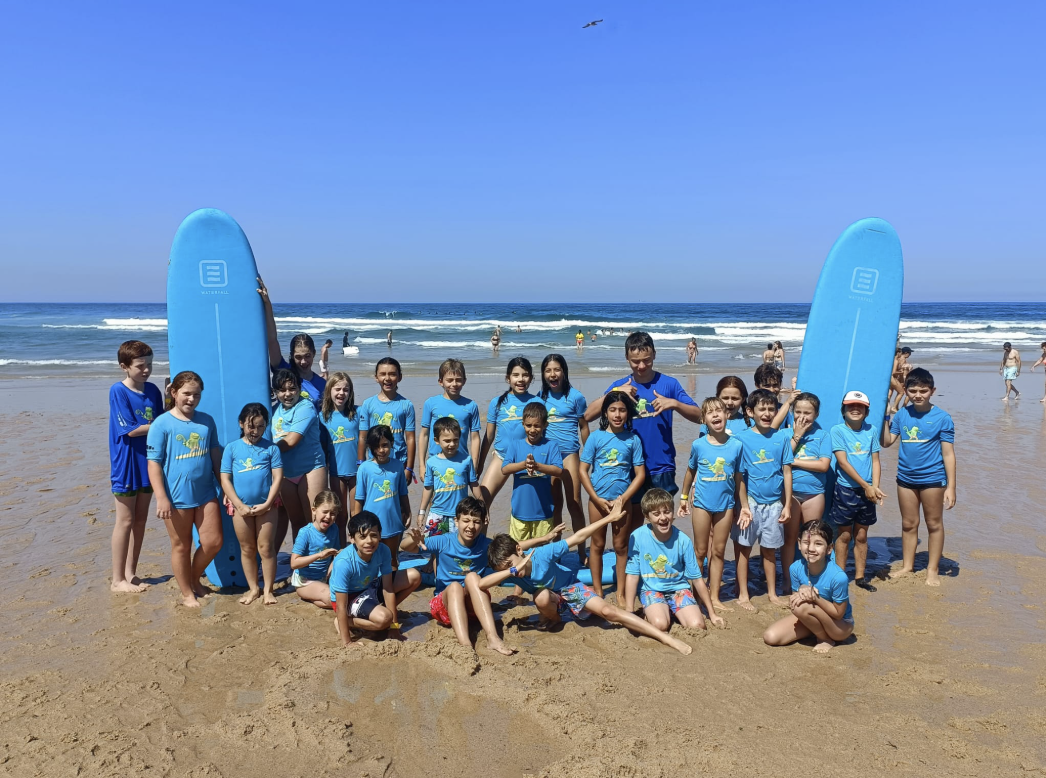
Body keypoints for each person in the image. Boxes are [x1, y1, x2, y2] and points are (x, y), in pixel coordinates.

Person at [480, 503, 693, 655]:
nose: (511, 570)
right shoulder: (512, 573)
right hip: (551, 602)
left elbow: (578, 537)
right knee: (541, 597)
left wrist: (609, 518)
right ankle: (555, 620)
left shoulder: (542, 555)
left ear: (519, 550)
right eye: (505, 569)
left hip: (571, 589)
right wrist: (511, 572)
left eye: (510, 564)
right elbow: (482, 584)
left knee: (608, 612)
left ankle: (666, 638)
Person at [583, 331, 702, 528]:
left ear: (654, 354)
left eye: (646, 360)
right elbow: (588, 415)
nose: (641, 366)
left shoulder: (669, 384)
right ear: (627, 358)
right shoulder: (620, 386)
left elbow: (700, 416)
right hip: (627, 467)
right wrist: (615, 392)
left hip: (661, 464)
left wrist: (674, 404)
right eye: (635, 361)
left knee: (662, 522)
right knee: (633, 524)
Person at [146, 371, 223, 608]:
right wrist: (161, 498)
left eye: (196, 395)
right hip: (175, 497)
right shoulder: (161, 423)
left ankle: (192, 577)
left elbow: (215, 456)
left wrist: (225, 488)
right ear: (173, 393)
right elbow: (153, 463)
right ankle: (187, 593)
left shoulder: (206, 421)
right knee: (181, 545)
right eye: (186, 394)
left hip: (206, 492)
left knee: (213, 542)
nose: (191, 399)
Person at [402, 498, 517, 655]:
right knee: (455, 586)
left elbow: (513, 551)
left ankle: (493, 638)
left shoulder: (486, 545)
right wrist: (413, 539)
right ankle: (465, 645)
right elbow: (406, 547)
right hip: (445, 607)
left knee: (472, 577)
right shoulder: (444, 541)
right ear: (456, 521)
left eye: (476, 521)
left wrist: (540, 547)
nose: (471, 526)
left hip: (474, 607)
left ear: (483, 523)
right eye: (466, 520)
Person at [882, 368, 956, 586]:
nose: (918, 395)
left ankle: (932, 569)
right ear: (905, 390)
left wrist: (951, 486)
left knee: (934, 524)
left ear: (932, 391)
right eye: (913, 390)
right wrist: (885, 416)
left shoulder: (942, 417)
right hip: (905, 478)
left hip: (933, 479)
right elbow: (887, 442)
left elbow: (948, 454)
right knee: (908, 524)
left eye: (923, 391)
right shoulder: (902, 415)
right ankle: (907, 565)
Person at [679, 397, 749, 614]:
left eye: (719, 411)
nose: (716, 415)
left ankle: (714, 596)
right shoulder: (698, 445)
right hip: (701, 504)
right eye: (710, 412)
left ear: (727, 415)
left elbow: (739, 478)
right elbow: (690, 472)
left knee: (718, 551)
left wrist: (744, 506)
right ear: (704, 419)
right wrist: (683, 498)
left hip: (726, 505)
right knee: (700, 552)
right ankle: (695, 595)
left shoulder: (736, 445)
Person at [108, 340, 164, 593]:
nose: (146, 370)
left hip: (149, 461)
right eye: (140, 366)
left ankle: (131, 573)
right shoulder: (117, 391)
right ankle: (116, 579)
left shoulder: (153, 390)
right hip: (126, 462)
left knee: (141, 520)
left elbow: (162, 419)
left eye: (149, 365)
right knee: (125, 520)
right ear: (124, 366)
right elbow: (130, 430)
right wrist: (164, 425)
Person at [626, 488, 723, 632]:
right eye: (656, 514)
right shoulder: (638, 537)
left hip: (678, 589)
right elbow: (633, 575)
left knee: (698, 625)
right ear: (647, 516)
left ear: (673, 512)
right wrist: (629, 611)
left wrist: (712, 614)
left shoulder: (683, 540)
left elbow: (697, 579)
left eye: (667, 512)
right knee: (661, 625)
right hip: (651, 589)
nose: (663, 518)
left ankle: (671, 609)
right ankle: (655, 610)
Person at [579, 390, 646, 598]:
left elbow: (640, 475)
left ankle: (620, 592)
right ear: (605, 413)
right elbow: (583, 470)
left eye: (622, 410)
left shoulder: (633, 439)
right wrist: (596, 498)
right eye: (613, 410)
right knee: (597, 545)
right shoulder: (595, 438)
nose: (617, 415)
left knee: (620, 546)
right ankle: (598, 591)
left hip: (622, 502)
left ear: (629, 414)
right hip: (597, 501)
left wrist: (623, 499)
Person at [733, 388, 793, 611]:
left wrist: (786, 505)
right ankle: (743, 594)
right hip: (750, 506)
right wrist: (744, 507)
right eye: (762, 409)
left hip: (775, 505)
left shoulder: (782, 438)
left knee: (770, 551)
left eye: (771, 409)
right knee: (744, 550)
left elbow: (787, 472)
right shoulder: (741, 439)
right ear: (750, 412)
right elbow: (739, 476)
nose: (767, 413)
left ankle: (772, 593)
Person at [220, 402, 284, 605]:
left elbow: (278, 477)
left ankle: (268, 590)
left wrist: (267, 503)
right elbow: (225, 478)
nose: (254, 431)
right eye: (250, 426)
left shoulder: (271, 449)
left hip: (267, 507)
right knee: (247, 548)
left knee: (266, 548)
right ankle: (253, 588)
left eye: (260, 426)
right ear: (241, 424)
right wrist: (238, 504)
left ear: (266, 425)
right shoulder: (232, 448)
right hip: (241, 508)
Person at [329, 511, 421, 646]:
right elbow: (341, 605)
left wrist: (394, 627)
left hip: (368, 587)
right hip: (348, 598)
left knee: (414, 575)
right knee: (384, 619)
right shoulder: (344, 562)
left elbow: (388, 588)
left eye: (373, 535)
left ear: (380, 535)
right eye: (363, 536)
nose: (369, 541)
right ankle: (347, 621)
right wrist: (347, 642)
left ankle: (376, 611)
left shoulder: (383, 550)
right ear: (352, 538)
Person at [763, 520, 853, 653]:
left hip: (840, 626)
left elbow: (838, 614)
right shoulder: (795, 568)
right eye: (806, 542)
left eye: (818, 544)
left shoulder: (838, 577)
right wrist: (801, 589)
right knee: (770, 637)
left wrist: (815, 598)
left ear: (829, 549)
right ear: (799, 544)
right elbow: (794, 602)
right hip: (812, 617)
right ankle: (815, 630)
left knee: (802, 606)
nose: (811, 549)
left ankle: (825, 639)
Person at [827, 390, 884, 590]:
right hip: (846, 490)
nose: (855, 409)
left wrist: (875, 487)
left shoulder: (871, 430)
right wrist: (866, 486)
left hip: (868, 491)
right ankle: (841, 577)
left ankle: (860, 578)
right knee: (843, 536)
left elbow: (875, 461)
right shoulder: (837, 431)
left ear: (867, 412)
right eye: (851, 406)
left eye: (860, 407)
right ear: (843, 410)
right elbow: (843, 463)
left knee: (861, 535)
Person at [271, 369, 328, 552]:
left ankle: (320, 564)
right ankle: (301, 565)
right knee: (297, 523)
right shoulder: (274, 411)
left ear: (299, 387)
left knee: (316, 521)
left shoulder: (306, 407)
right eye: (282, 390)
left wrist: (263, 454)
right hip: (287, 473)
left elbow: (291, 441)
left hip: (310, 469)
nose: (287, 394)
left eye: (292, 388)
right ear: (276, 392)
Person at [538, 354, 590, 557]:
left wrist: (589, 456)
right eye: (548, 370)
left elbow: (584, 427)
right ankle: (555, 551)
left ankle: (581, 552)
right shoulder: (540, 396)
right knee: (554, 506)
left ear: (564, 372)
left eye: (557, 369)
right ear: (543, 374)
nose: (553, 374)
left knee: (574, 503)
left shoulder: (576, 397)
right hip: (548, 455)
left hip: (570, 454)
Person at [785, 392, 832, 589]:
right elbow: (781, 458)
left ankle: (812, 580)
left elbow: (823, 465)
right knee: (790, 539)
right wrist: (798, 434)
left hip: (814, 494)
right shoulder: (786, 434)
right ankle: (788, 582)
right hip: (791, 494)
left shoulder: (823, 435)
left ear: (817, 414)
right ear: (791, 412)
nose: (802, 417)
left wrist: (793, 461)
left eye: (808, 413)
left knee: (812, 538)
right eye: (798, 412)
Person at [478, 357, 540, 504]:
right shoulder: (497, 403)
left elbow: (541, 434)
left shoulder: (537, 403)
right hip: (501, 457)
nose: (521, 379)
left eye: (525, 375)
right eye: (516, 375)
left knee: (527, 504)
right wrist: (480, 464)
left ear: (531, 378)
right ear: (508, 378)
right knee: (482, 502)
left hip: (528, 459)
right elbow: (489, 436)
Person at [258, 278, 326, 409]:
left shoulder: (322, 384)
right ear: (292, 355)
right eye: (298, 357)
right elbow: (272, 339)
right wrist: (267, 304)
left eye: (307, 356)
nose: (303, 362)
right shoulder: (283, 371)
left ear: (314, 354)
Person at [502, 402, 564, 543]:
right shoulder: (515, 445)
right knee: (518, 549)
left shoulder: (551, 445)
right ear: (523, 424)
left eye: (537, 425)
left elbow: (558, 470)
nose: (532, 429)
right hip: (519, 513)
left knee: (541, 551)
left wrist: (537, 466)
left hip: (544, 513)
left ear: (545, 425)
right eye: (528, 425)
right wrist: (524, 465)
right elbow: (505, 469)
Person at [353, 426, 411, 566]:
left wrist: (408, 512)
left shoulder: (397, 466)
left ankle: (390, 587)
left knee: (391, 560)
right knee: (369, 560)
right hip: (370, 525)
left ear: (392, 443)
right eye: (376, 446)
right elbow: (359, 500)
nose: (381, 450)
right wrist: (355, 524)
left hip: (393, 522)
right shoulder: (364, 468)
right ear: (369, 447)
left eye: (385, 445)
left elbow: (403, 493)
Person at [418, 417, 481, 539]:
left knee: (459, 546)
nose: (451, 444)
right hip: (437, 513)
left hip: (460, 514)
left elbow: (474, 484)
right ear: (437, 440)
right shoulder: (431, 462)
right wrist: (422, 512)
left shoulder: (466, 460)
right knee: (435, 548)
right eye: (447, 441)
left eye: (455, 440)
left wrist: (482, 507)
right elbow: (428, 489)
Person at [357, 357, 416, 482]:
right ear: (376, 377)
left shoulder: (406, 405)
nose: (387, 378)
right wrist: (361, 463)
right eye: (383, 374)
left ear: (400, 377)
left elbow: (410, 438)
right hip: (375, 461)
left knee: (398, 498)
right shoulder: (368, 404)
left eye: (392, 374)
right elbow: (362, 437)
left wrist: (409, 468)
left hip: (399, 461)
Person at [418, 359, 482, 468]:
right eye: (449, 380)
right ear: (440, 381)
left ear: (464, 381)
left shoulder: (471, 405)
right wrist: (421, 464)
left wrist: (474, 464)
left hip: (461, 462)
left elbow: (475, 437)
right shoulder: (431, 403)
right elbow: (424, 434)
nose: (454, 384)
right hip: (435, 461)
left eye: (458, 380)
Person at [320, 372, 358, 545]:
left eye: (346, 389)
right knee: (340, 515)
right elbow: (320, 447)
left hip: (358, 472)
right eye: (337, 389)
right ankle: (342, 549)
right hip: (336, 473)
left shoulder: (358, 413)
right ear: (329, 391)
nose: (341, 393)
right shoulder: (322, 417)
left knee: (356, 515)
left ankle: (359, 549)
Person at [290, 490, 342, 608]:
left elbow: (336, 555)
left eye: (333, 513)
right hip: (305, 581)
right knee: (334, 598)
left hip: (323, 578)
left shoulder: (334, 529)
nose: (328, 516)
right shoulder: (305, 533)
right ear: (314, 511)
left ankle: (318, 594)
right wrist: (319, 555)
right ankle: (310, 596)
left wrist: (330, 574)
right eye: (325, 512)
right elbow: (294, 563)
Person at [888, 347, 913, 413]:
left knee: (891, 392)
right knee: (902, 392)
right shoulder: (902, 359)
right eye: (909, 353)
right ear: (906, 353)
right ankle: (895, 407)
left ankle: (890, 407)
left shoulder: (896, 359)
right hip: (898, 378)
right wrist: (906, 370)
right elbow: (898, 371)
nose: (910, 354)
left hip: (894, 378)